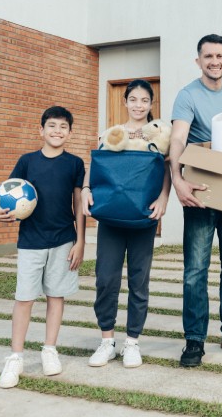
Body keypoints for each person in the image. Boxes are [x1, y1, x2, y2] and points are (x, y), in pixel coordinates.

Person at [169, 34, 222, 367]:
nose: (214, 61)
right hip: (202, 189)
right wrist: (178, 180)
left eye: (220, 55)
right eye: (208, 56)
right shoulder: (187, 95)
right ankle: (194, 339)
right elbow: (178, 137)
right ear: (198, 61)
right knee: (196, 270)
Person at [0, 106, 86, 388]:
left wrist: (80, 241)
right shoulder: (27, 161)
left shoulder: (75, 164)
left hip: (64, 240)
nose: (57, 131)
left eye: (63, 127)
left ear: (70, 133)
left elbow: (78, 204)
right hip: (30, 242)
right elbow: (2, 195)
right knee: (25, 298)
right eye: (51, 126)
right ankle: (15, 357)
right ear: (40, 130)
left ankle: (49, 350)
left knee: (56, 296)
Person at [81, 79, 171, 369]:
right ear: (125, 102)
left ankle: (132, 342)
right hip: (111, 217)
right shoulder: (111, 133)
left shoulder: (159, 134)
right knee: (106, 279)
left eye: (144, 100)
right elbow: (95, 167)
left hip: (143, 217)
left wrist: (164, 197)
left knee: (138, 280)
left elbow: (168, 166)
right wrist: (85, 191)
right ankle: (107, 340)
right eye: (133, 99)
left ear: (150, 104)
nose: (138, 105)